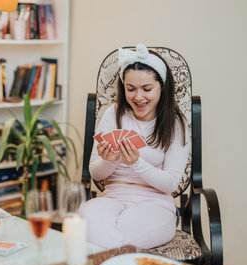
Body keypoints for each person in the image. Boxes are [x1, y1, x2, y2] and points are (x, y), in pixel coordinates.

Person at [79, 44, 190, 249]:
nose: (138, 97)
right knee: (86, 217)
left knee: (107, 239)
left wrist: (137, 163)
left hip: (155, 206)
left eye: (147, 89)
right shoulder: (113, 114)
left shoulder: (176, 123)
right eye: (131, 89)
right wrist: (108, 161)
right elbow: (96, 173)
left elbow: (171, 184)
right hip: (112, 198)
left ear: (162, 86)